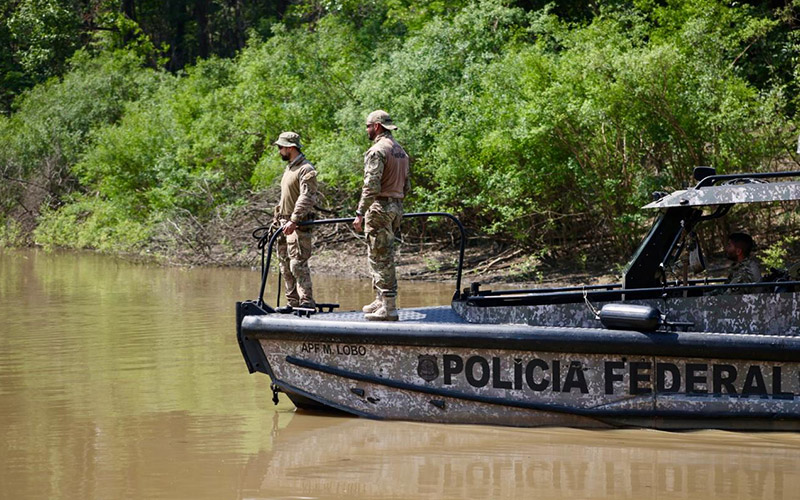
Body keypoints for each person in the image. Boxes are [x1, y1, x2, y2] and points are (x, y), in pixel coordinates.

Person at [353, 110, 410, 321]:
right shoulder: (401, 152)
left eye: (368, 126)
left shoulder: (377, 151)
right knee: (380, 253)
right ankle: (380, 299)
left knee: (381, 257)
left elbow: (371, 185)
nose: (366, 130)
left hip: (380, 207)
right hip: (397, 206)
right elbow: (407, 185)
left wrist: (360, 212)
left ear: (376, 126)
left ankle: (389, 307)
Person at [273, 131, 318, 313]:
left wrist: (294, 219)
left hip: (297, 225)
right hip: (283, 224)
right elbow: (285, 198)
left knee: (297, 264)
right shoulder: (289, 168)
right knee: (284, 265)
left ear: (290, 147)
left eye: (281, 147)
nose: (279, 151)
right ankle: (293, 303)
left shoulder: (306, 169)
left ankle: (306, 302)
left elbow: (307, 197)